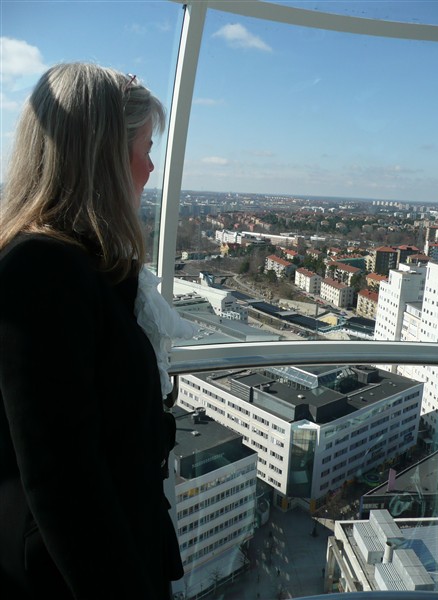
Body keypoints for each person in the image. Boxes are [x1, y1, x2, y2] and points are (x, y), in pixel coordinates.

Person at [0, 62, 189, 599]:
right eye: (145, 146)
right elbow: (62, 483)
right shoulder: (41, 272)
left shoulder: (74, 265)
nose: (151, 167)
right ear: (104, 155)